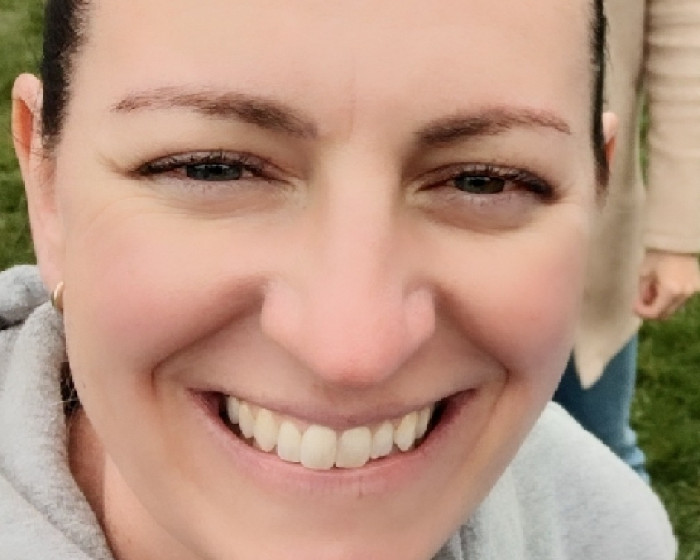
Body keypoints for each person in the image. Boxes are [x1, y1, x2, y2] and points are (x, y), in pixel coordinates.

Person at [0, 1, 676, 559]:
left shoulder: (604, 530)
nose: (352, 353)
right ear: (48, 191)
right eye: (212, 168)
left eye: (483, 181)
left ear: (596, 191)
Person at [554, 0, 700, 480]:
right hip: (419, 226)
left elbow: (685, 44)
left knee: (599, 454)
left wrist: (676, 237)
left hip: (591, 235)